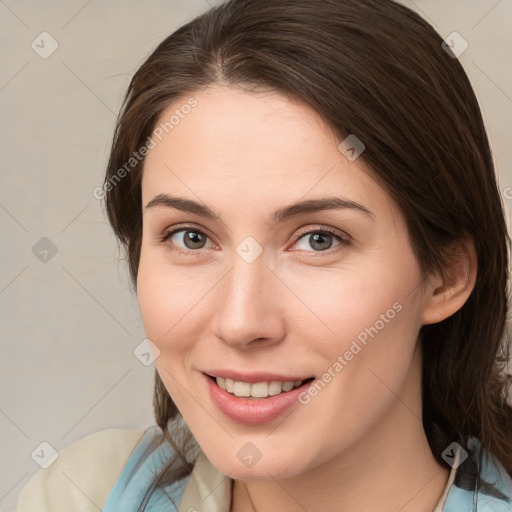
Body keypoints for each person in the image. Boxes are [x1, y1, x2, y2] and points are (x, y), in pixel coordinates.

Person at [17, 0, 512, 510]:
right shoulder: (79, 495)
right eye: (191, 237)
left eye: (319, 239)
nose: (240, 322)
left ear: (447, 274)